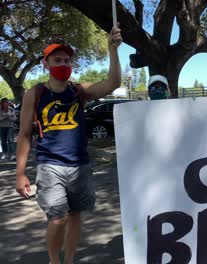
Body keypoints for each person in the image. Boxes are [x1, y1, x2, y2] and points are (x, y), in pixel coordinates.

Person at [15, 26, 122, 264]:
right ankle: (55, 260)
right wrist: (20, 173)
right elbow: (24, 135)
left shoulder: (79, 91)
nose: (63, 63)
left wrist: (112, 50)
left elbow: (113, 82)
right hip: (49, 166)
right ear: (46, 64)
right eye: (57, 60)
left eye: (66, 60)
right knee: (57, 218)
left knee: (75, 215)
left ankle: (70, 259)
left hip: (80, 166)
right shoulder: (36, 93)